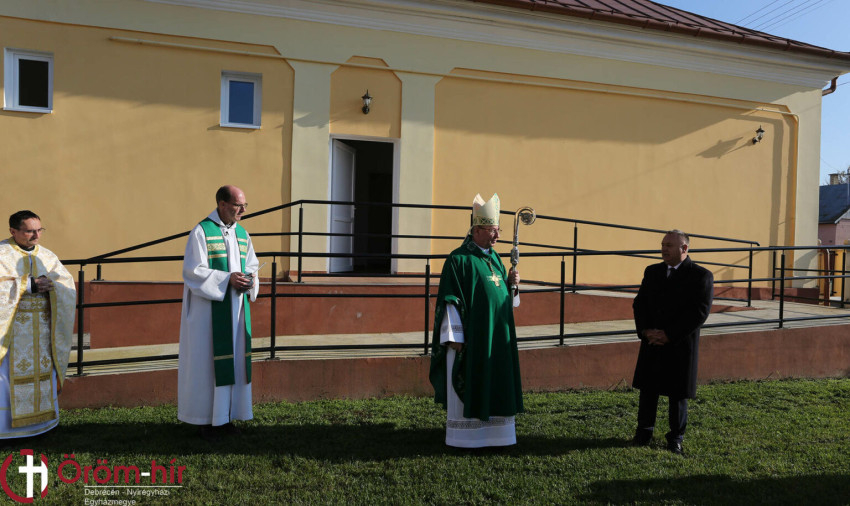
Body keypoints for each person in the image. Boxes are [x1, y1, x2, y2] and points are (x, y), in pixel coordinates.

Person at [429, 193, 524, 448]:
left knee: (496, 382)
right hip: (472, 339)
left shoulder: (495, 259)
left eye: (499, 230)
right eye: (493, 230)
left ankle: (498, 437)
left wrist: (512, 285)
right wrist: (455, 337)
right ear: (477, 230)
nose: (498, 236)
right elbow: (450, 299)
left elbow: (504, 298)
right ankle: (466, 439)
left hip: (497, 336)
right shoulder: (458, 259)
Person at [178, 185, 259, 440]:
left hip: (236, 313)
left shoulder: (242, 234)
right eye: (238, 205)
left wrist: (250, 280)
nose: (243, 210)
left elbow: (252, 265)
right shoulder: (201, 232)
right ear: (222, 204)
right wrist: (226, 280)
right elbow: (193, 271)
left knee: (234, 362)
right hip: (208, 315)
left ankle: (226, 417)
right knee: (208, 365)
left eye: (244, 205)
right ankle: (206, 420)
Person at [631, 229, 713, 455]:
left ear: (684, 248)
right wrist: (646, 331)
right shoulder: (652, 271)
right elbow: (640, 303)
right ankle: (643, 432)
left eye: (669, 245)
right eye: (662, 245)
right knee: (648, 389)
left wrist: (669, 334)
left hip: (680, 344)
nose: (663, 249)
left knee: (677, 394)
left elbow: (699, 312)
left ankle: (675, 438)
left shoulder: (701, 276)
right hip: (652, 342)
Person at [0, 210, 76, 439]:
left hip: (42, 332)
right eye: (29, 231)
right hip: (10, 333)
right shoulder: (2, 254)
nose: (36, 236)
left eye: (39, 230)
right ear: (13, 231)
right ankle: (5, 431)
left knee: (42, 374)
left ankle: (42, 425)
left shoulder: (47, 256)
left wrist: (53, 286)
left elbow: (66, 284)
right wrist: (27, 285)